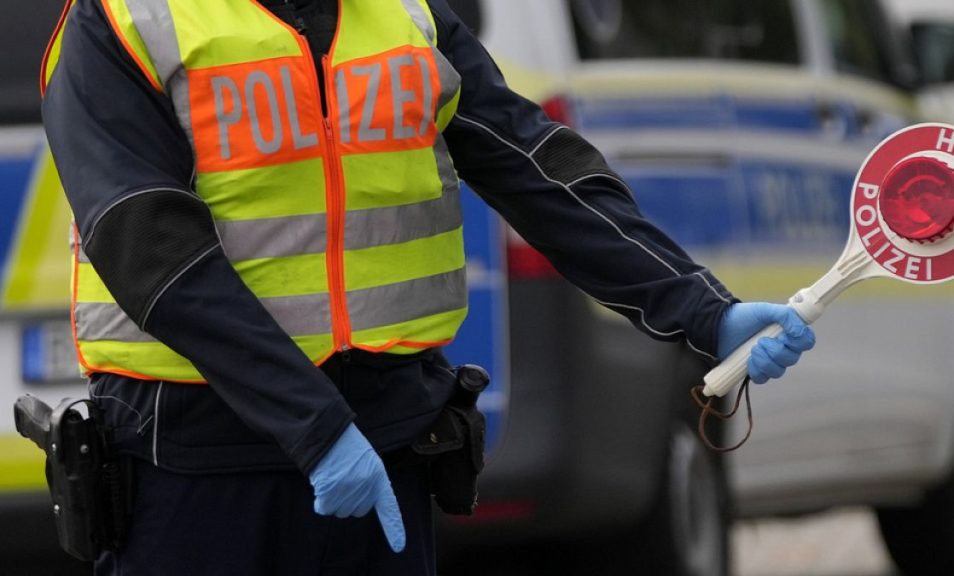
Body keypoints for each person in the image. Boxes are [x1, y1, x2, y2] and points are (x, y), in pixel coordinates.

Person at [39, 0, 815, 574]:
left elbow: (538, 168)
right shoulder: (125, 22)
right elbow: (147, 245)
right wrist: (313, 426)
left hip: (382, 447)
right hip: (198, 464)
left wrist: (702, 309)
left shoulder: (406, 17)